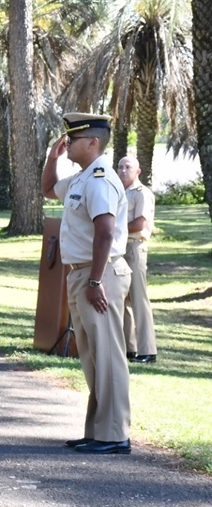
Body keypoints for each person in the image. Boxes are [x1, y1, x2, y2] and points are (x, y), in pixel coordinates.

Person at [42, 112, 133, 454]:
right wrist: (52, 158)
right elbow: (49, 189)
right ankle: (98, 431)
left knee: (108, 355)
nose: (67, 143)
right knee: (93, 356)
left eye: (74, 139)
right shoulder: (80, 178)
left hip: (101, 273)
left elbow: (106, 232)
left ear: (93, 142)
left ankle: (115, 435)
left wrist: (95, 279)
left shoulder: (99, 179)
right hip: (83, 273)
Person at [117, 154, 157, 363]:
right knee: (122, 299)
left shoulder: (142, 194)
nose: (123, 171)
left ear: (138, 171)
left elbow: (139, 224)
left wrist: (113, 228)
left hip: (134, 247)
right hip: (118, 249)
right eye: (120, 167)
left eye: (128, 167)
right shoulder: (118, 193)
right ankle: (130, 348)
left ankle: (148, 351)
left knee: (139, 299)